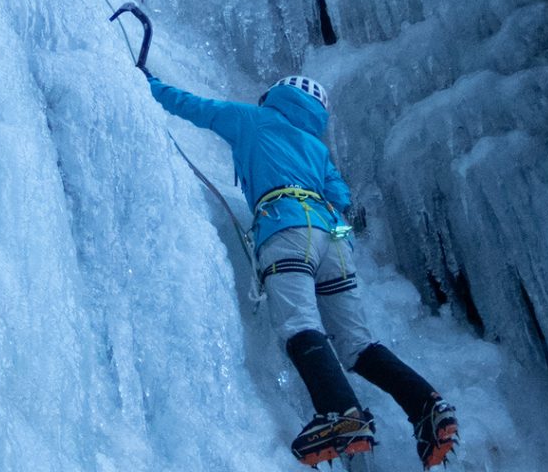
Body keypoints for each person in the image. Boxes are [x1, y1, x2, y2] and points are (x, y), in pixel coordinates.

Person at [146, 72, 459, 469]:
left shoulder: (254, 119)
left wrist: (148, 83)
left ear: (277, 94)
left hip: (286, 226)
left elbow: (194, 106)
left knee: (298, 323)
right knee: (357, 344)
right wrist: (336, 235)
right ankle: (428, 407)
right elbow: (341, 199)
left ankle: (340, 414)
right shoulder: (316, 147)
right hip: (334, 239)